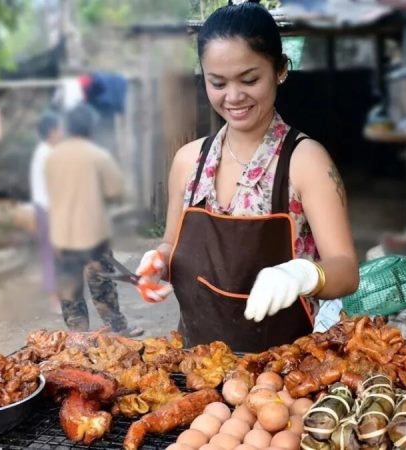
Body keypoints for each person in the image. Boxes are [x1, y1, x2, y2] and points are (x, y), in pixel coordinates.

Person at [134, 1, 358, 352]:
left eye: (250, 79)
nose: (234, 96)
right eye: (218, 82)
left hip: (283, 376)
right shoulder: (188, 161)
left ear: (280, 70)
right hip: (195, 366)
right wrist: (158, 261)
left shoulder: (305, 162)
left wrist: (303, 275)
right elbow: (172, 242)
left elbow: (345, 270)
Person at [45, 103, 144, 336]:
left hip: (62, 235)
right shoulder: (98, 156)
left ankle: (78, 337)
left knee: (69, 290)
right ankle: (118, 329)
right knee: (102, 286)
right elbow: (115, 191)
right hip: (92, 235)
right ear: (91, 127)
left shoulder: (53, 157)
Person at [30, 112, 62, 312]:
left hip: (47, 208)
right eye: (59, 129)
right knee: (52, 255)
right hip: (48, 210)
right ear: (51, 132)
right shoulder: (47, 154)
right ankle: (55, 300)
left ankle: (59, 297)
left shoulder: (46, 151)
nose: (62, 133)